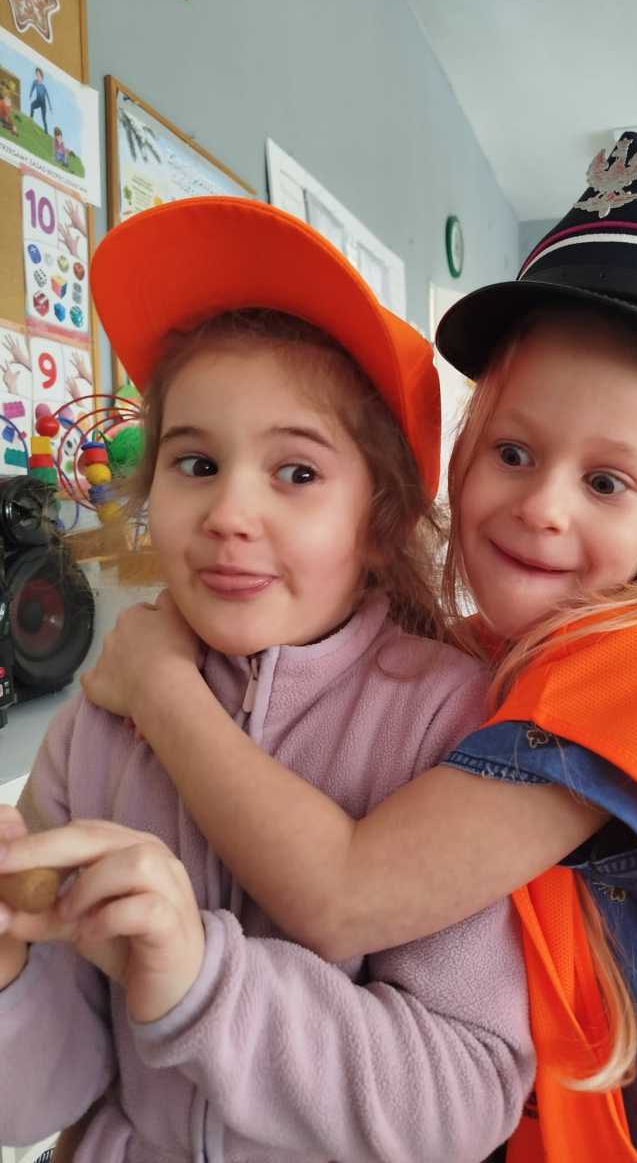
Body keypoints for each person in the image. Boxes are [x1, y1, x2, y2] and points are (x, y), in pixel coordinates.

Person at [63, 137, 637, 1160]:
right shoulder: (492, 654)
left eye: (606, 482)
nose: (542, 505)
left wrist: (161, 685)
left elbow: (347, 897)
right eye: (514, 451)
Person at [0, 197, 534, 1162]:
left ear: (381, 522)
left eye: (296, 473)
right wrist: (8, 973)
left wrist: (202, 981)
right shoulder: (99, 720)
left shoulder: (444, 719)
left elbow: (464, 1098)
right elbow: (35, 1100)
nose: (229, 512)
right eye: (196, 462)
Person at [29, 67, 51, 133]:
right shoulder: (35, 82)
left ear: (41, 77)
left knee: (43, 118)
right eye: (36, 74)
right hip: (38, 101)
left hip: (43, 104)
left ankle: (46, 130)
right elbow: (32, 88)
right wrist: (30, 94)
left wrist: (50, 107)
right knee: (32, 105)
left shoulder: (43, 87)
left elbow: (47, 97)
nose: (38, 76)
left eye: (39, 75)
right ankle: (31, 118)